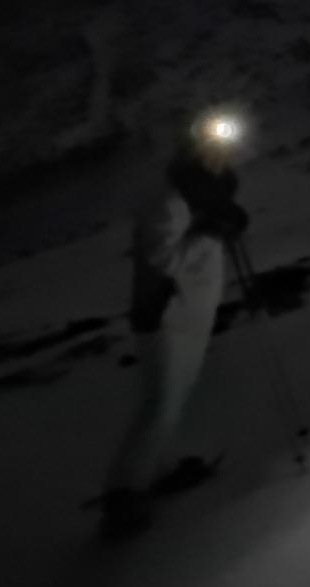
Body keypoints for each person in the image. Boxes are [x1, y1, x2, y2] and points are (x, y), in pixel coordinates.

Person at [97, 114, 249, 539]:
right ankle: (121, 494)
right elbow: (162, 260)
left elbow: (204, 240)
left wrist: (219, 223)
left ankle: (154, 471)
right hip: (163, 315)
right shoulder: (169, 199)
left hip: (191, 312)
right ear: (192, 151)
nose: (222, 154)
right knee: (159, 402)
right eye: (212, 147)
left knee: (174, 399)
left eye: (226, 146)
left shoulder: (208, 191)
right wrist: (211, 233)